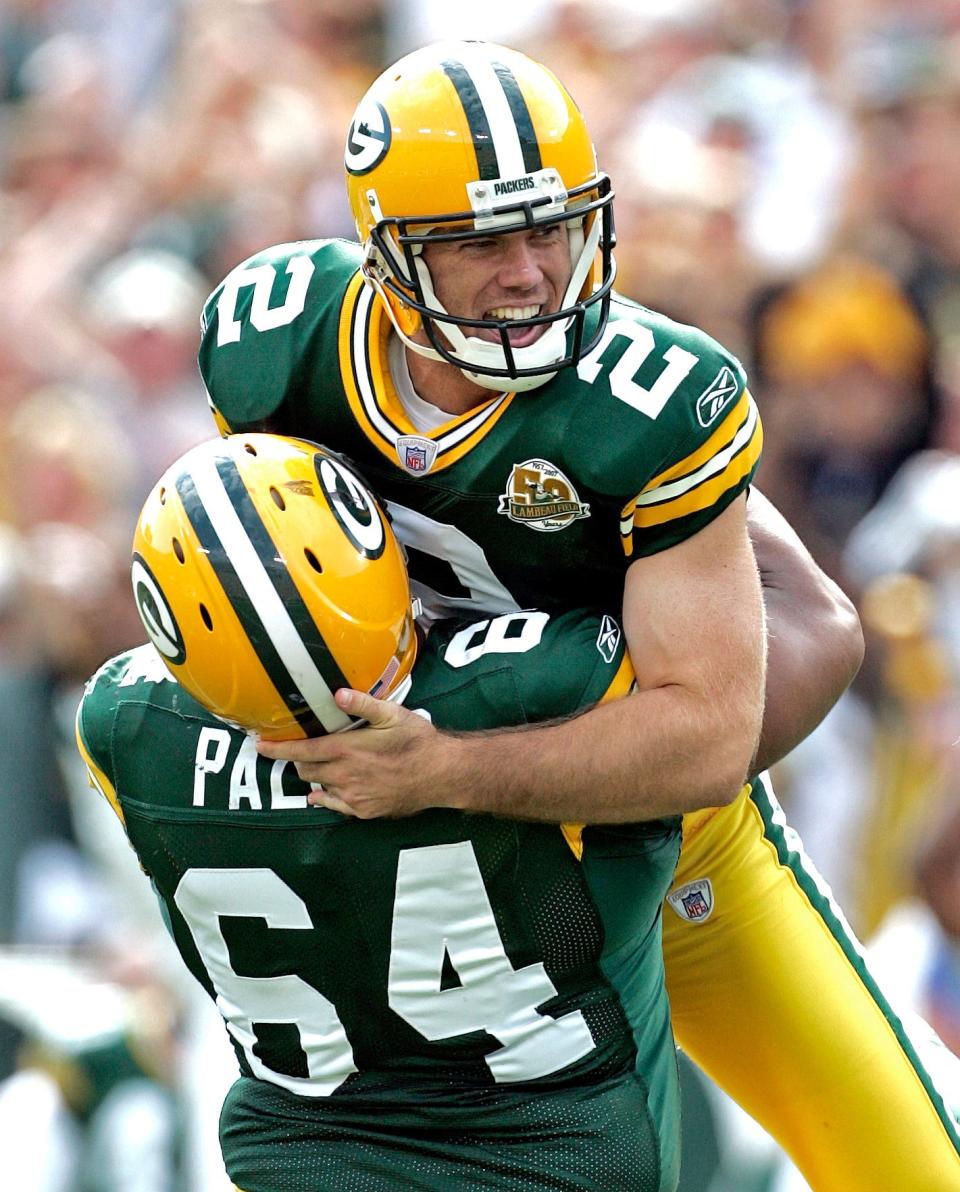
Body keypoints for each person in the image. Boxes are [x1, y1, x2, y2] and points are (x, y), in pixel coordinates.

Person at [197, 42, 960, 1188]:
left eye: (550, 228)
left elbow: (709, 729)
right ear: (388, 257)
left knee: (908, 1167)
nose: (530, 272)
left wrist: (473, 770)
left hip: (650, 829)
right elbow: (255, 610)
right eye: (479, 241)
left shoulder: (648, 399)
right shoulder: (275, 346)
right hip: (416, 856)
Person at [78, 434, 685, 1192]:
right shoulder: (535, 684)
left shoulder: (127, 727)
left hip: (297, 1160)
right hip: (552, 1153)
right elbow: (706, 718)